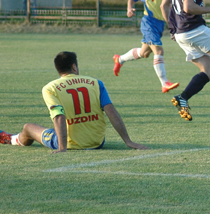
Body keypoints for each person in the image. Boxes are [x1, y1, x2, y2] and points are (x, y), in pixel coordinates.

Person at [0, 51, 149, 153]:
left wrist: (62, 147)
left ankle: (11, 139)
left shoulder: (50, 88)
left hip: (70, 143)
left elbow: (58, 116)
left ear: (58, 69)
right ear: (74, 66)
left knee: (28, 128)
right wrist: (128, 141)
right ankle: (13, 138)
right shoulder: (96, 83)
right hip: (97, 142)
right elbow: (111, 112)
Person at [112, 0, 180, 94]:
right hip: (149, 22)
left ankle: (119, 59)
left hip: (160, 24)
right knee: (159, 51)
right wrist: (129, 9)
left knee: (144, 53)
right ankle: (164, 83)